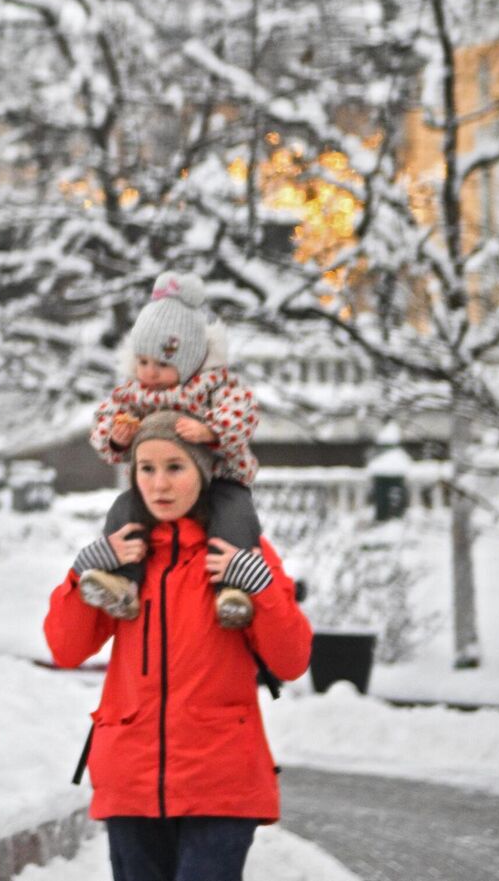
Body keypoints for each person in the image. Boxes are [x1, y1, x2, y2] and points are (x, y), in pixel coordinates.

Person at [45, 411, 312, 881]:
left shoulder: (238, 552)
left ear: (204, 472)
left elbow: (290, 660)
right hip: (131, 778)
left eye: (175, 467)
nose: (159, 483)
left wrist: (258, 586)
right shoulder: (124, 558)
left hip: (220, 779)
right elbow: (66, 648)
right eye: (146, 468)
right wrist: (85, 569)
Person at [84, 273, 266, 630]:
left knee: (236, 515)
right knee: (125, 509)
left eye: (162, 364)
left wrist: (211, 428)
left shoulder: (211, 384)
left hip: (219, 479)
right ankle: (123, 582)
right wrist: (118, 437)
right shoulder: (133, 395)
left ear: (189, 361)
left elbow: (243, 409)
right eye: (143, 361)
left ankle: (232, 590)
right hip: (160, 486)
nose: (149, 373)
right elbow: (104, 418)